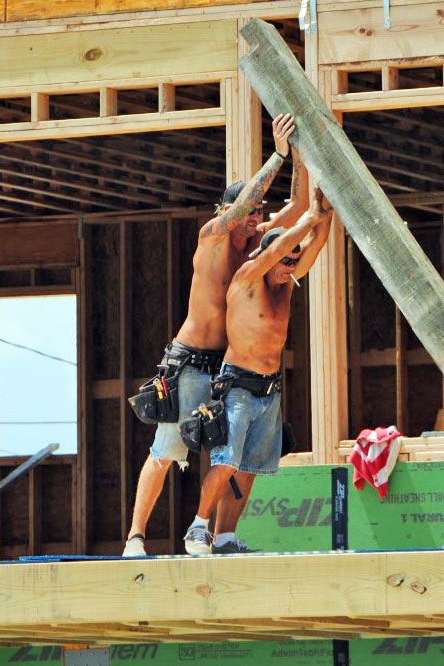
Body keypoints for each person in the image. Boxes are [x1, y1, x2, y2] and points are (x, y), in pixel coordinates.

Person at [123, 113, 308, 557]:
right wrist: (277, 155)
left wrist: (300, 153)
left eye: (259, 215)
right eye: (249, 213)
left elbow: (298, 210)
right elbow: (243, 207)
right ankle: (135, 537)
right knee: (167, 451)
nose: (255, 220)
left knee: (235, 456)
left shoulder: (255, 249)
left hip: (230, 371)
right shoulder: (212, 236)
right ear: (227, 212)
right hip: (190, 363)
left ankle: (222, 535)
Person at [181, 188, 334, 554]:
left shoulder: (287, 280)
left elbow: (314, 245)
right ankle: (198, 526)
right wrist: (308, 216)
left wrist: (325, 212)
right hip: (237, 387)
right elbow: (280, 250)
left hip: (269, 390)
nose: (290, 271)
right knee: (226, 461)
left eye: (294, 265)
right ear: (270, 257)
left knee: (250, 467)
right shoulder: (248, 277)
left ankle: (227, 536)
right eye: (285, 263)